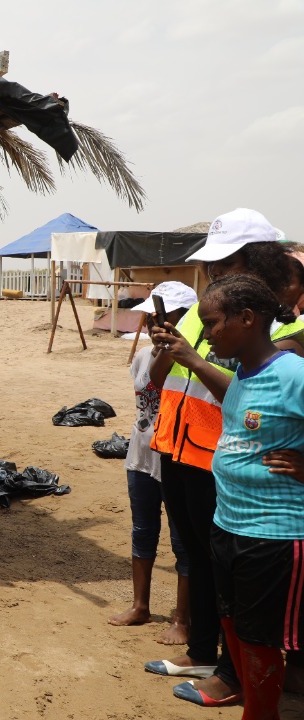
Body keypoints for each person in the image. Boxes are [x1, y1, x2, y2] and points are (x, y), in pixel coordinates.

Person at [146, 208, 299, 707]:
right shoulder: (209, 308)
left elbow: (263, 387)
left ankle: (239, 678)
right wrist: (169, 349)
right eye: (212, 267)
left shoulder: (277, 331)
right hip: (184, 447)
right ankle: (208, 653)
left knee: (249, 597)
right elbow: (168, 376)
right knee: (202, 559)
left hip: (248, 480)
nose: (215, 274)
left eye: (225, 263)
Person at [200, 274, 304, 719]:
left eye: (212, 323)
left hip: (274, 536)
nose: (206, 333)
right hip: (228, 525)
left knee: (261, 641)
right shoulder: (243, 370)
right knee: (235, 627)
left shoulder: (293, 374)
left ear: (247, 319)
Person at [107, 282, 192, 645]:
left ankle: (182, 618)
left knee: (182, 540)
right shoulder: (143, 355)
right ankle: (140, 605)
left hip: (178, 458)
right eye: (153, 315)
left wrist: (174, 346)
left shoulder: (193, 361)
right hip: (141, 456)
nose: (156, 322)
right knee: (143, 530)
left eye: (165, 315)